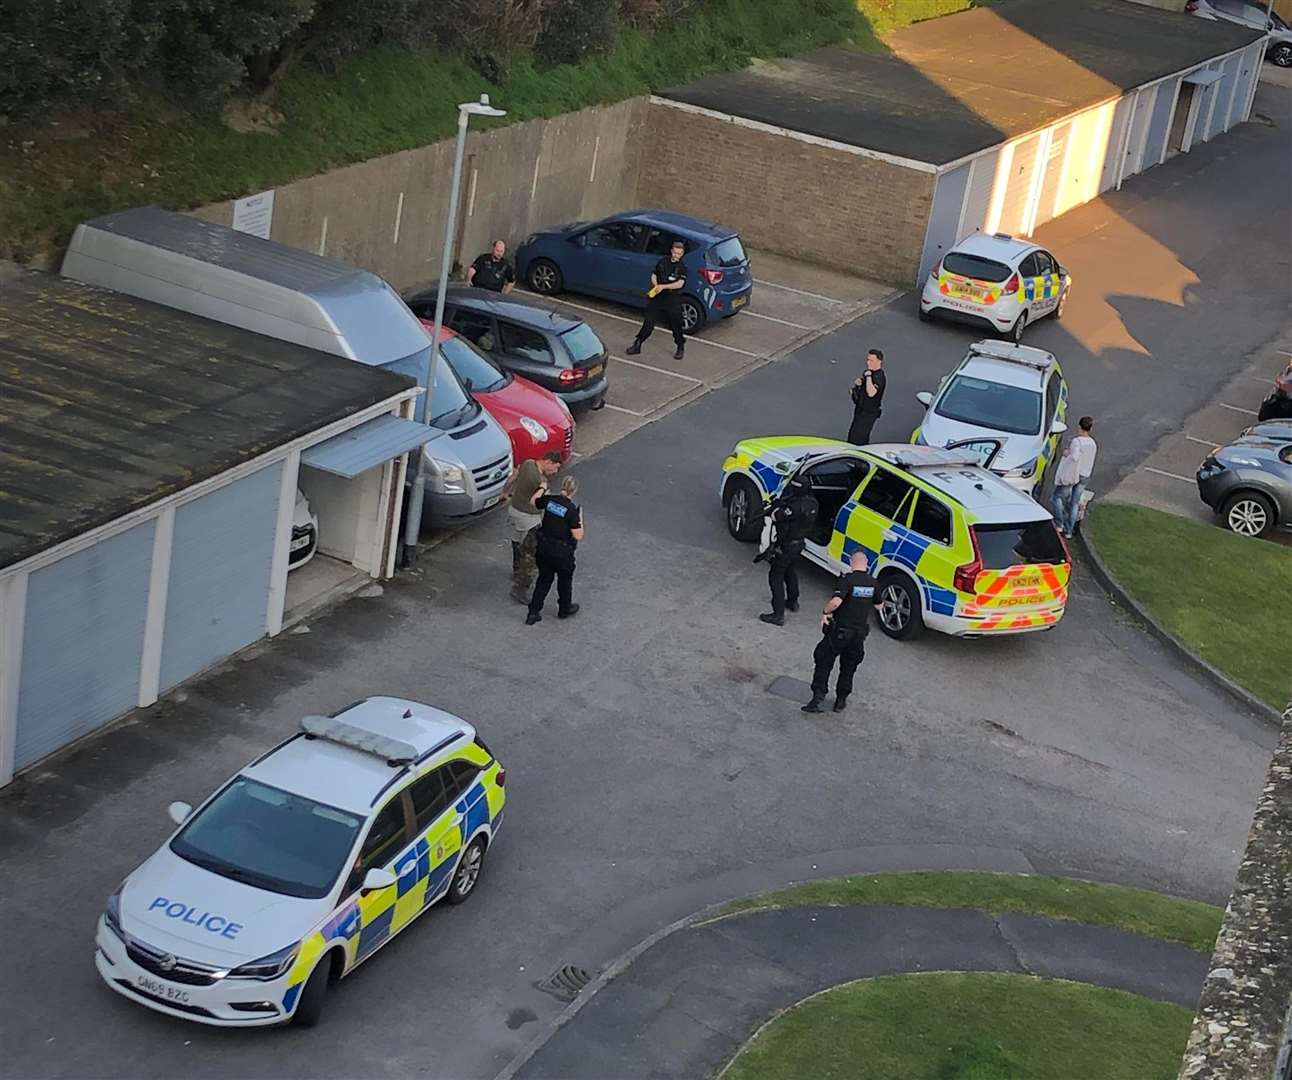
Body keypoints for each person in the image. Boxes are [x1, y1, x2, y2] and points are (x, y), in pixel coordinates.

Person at [802, 549, 876, 714]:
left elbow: (836, 602)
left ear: (851, 563)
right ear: (867, 565)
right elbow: (879, 605)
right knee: (849, 667)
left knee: (824, 660)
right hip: (858, 635)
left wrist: (825, 612)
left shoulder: (847, 580)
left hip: (840, 632)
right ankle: (840, 701)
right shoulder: (873, 583)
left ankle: (818, 698)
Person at [758, 476, 818, 627]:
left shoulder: (795, 506)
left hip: (787, 545)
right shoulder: (812, 503)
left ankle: (778, 614)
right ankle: (792, 601)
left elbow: (777, 516)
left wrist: (778, 506)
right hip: (798, 544)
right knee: (789, 570)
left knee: (775, 577)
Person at [526, 475, 584, 625]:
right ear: (574, 490)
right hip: (562, 553)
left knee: (544, 579)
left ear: (562, 486)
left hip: (544, 549)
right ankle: (564, 608)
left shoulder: (550, 501)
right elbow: (578, 535)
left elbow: (533, 501)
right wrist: (580, 519)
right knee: (564, 580)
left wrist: (542, 488)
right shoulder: (571, 510)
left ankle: (533, 612)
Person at [507, 450, 562, 603]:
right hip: (528, 516)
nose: (555, 471)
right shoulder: (538, 480)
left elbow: (514, 476)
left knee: (516, 542)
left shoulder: (528, 463)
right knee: (531, 554)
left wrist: (504, 492)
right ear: (548, 461)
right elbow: (540, 502)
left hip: (515, 509)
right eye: (555, 467)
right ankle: (520, 588)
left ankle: (516, 570)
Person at [626, 237, 687, 361]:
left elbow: (680, 284)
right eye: (675, 252)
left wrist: (663, 286)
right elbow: (654, 275)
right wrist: (656, 285)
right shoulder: (663, 261)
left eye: (679, 254)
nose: (676, 256)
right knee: (648, 322)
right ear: (671, 251)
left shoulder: (682, 267)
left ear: (682, 254)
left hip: (672, 298)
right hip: (658, 297)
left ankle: (680, 346)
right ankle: (637, 344)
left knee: (676, 324)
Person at [1051, 415, 1097, 537]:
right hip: (1085, 475)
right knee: (1074, 503)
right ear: (1090, 429)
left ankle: (1059, 524)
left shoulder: (1077, 442)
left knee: (1057, 497)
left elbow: (1075, 457)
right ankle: (1069, 531)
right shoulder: (1092, 443)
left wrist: (1067, 454)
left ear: (1079, 426)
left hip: (1074, 474)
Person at [847, 349, 886, 445]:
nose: (868, 363)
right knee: (853, 435)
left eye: (871, 361)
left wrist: (868, 377)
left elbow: (871, 393)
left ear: (879, 361)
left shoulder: (879, 377)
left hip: (868, 413)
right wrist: (859, 383)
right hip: (860, 409)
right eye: (867, 360)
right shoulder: (868, 372)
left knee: (858, 438)